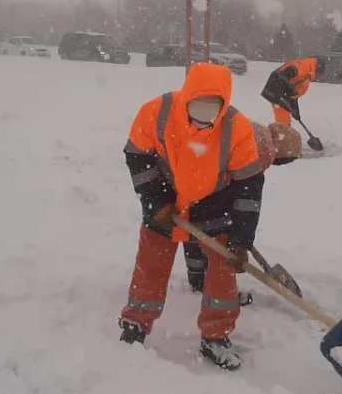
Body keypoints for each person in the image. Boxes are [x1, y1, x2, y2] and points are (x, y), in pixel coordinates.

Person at [119, 62, 266, 370]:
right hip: (167, 201)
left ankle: (216, 336)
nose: (203, 116)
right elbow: (137, 155)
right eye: (197, 106)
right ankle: (135, 324)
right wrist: (156, 202)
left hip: (214, 202)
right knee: (151, 264)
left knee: (222, 271)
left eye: (213, 108)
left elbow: (248, 189)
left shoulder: (237, 128)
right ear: (186, 97)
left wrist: (241, 241)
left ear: (224, 105)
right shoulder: (157, 111)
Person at [180, 121, 302, 305]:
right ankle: (220, 294)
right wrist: (241, 243)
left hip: (190, 173)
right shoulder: (263, 151)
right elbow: (248, 200)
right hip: (209, 186)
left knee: (194, 227)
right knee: (219, 239)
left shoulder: (254, 129)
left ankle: (198, 279)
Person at [261, 56, 324, 126]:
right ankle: (282, 130)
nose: (318, 77)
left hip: (282, 90)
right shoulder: (304, 66)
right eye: (319, 74)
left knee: (283, 115)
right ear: (317, 69)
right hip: (276, 84)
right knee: (282, 113)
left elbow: (293, 95)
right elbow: (287, 72)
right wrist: (280, 90)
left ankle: (283, 129)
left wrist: (295, 110)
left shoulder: (306, 76)